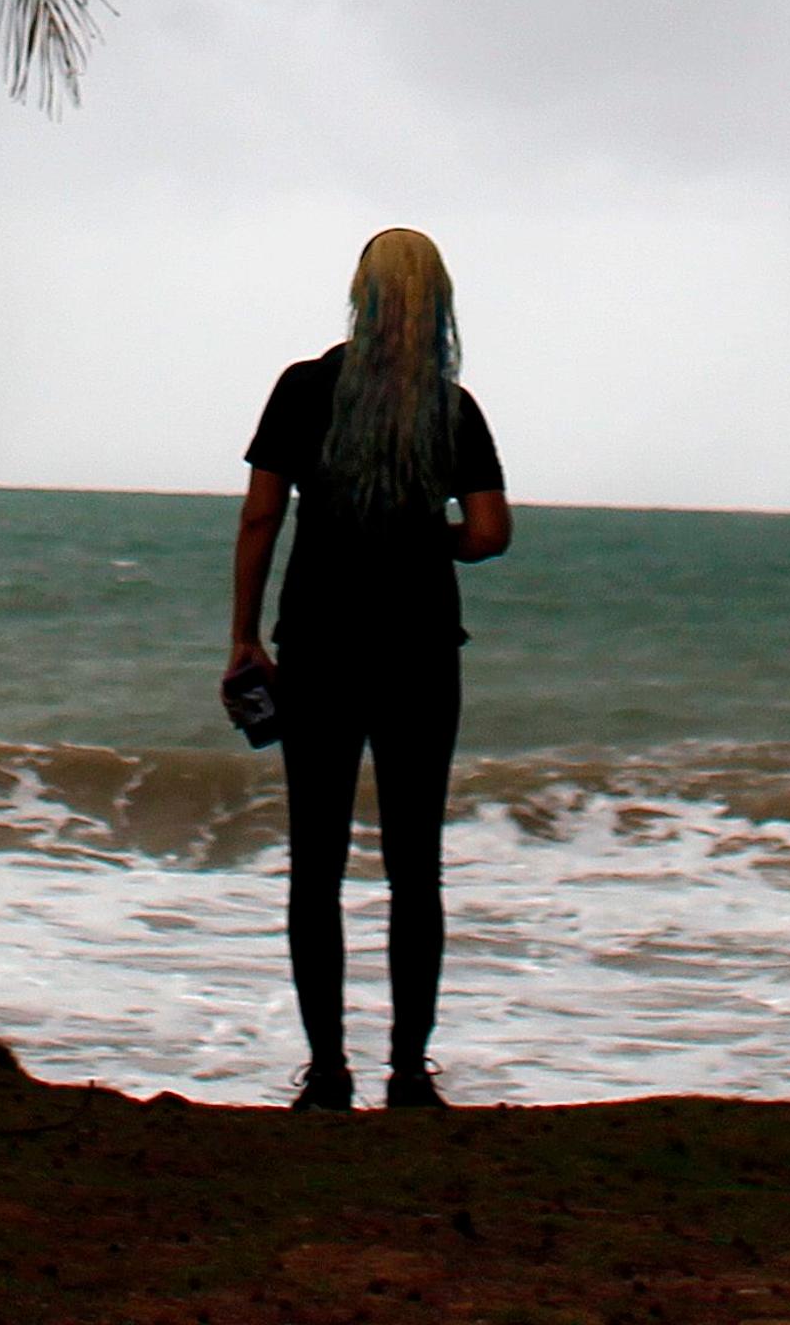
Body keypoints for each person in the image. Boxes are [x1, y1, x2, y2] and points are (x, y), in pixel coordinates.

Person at [227, 228, 513, 1111]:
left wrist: (244, 637)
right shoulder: (450, 406)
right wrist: (427, 537)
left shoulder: (305, 387)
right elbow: (491, 532)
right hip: (421, 652)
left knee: (316, 865)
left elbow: (261, 518)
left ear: (360, 293)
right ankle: (407, 1074)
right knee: (413, 869)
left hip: (318, 644)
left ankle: (326, 1073)